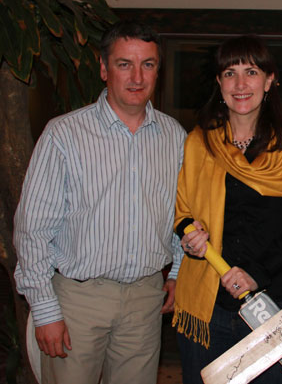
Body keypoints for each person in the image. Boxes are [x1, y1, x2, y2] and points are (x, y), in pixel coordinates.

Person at [13, 21, 186, 384]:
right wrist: (44, 310)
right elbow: (33, 229)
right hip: (78, 300)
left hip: (144, 300)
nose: (137, 77)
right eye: (125, 64)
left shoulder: (174, 136)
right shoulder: (64, 134)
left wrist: (175, 273)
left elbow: (180, 213)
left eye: (148, 64)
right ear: (104, 69)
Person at [173, 35, 282, 384]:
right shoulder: (199, 141)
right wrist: (191, 236)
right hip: (209, 310)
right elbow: (182, 215)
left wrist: (256, 272)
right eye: (229, 73)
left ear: (269, 80)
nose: (240, 84)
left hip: (273, 305)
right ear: (219, 83)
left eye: (251, 72)